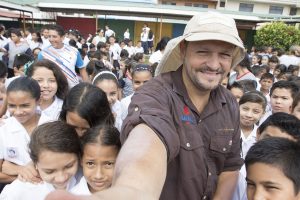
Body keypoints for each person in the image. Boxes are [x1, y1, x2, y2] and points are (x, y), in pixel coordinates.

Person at [45, 12, 245, 200]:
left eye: (225, 55)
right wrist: (131, 190)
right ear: (183, 50)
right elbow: (146, 141)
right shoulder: (155, 94)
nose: (214, 64)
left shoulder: (229, 104)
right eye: (203, 52)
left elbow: (230, 166)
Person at [0, 121, 81, 199]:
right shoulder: (17, 192)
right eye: (49, 171)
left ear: (79, 156)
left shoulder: (88, 179)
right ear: (35, 164)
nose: (61, 178)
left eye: (69, 166)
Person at [0, 77, 52, 187]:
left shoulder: (52, 125)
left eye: (25, 105)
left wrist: (13, 168)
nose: (18, 112)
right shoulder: (3, 129)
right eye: (12, 106)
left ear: (39, 101)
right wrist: (22, 171)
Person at [71, 124, 121, 195]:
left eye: (108, 164)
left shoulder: (130, 195)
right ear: (81, 160)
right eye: (90, 163)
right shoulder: (73, 196)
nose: (98, 175)